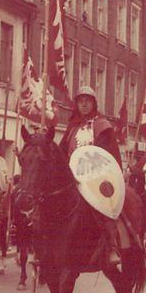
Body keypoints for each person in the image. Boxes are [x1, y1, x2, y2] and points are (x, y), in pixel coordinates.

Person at [59, 85, 123, 268]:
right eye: (80, 101)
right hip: (73, 177)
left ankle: (111, 246)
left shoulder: (102, 125)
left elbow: (108, 154)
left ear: (93, 103)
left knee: (103, 204)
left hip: (96, 176)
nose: (84, 104)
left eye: (87, 101)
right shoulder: (73, 127)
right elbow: (62, 152)